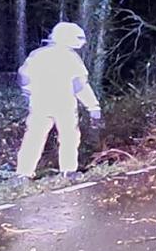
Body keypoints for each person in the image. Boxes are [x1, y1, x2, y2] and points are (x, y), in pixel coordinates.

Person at [17, 22, 102, 177]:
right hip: (64, 104)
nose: (83, 42)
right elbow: (80, 86)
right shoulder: (71, 58)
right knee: (69, 137)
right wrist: (93, 107)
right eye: (79, 38)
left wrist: (28, 94)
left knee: (34, 138)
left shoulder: (37, 54)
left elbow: (24, 77)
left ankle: (23, 173)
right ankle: (68, 171)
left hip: (40, 103)